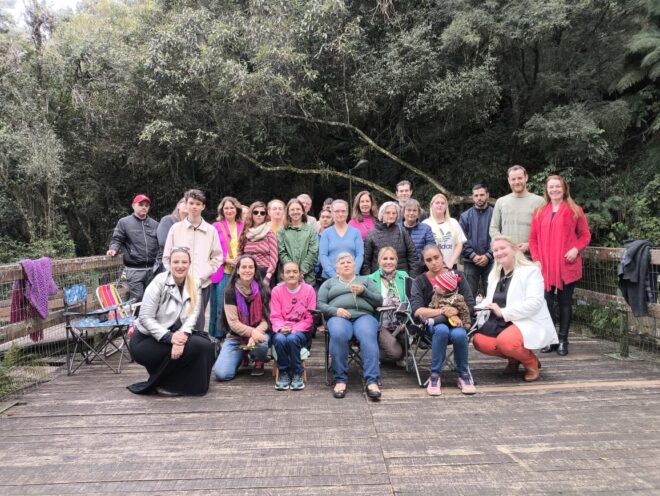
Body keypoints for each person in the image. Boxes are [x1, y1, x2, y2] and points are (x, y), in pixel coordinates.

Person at [128, 247, 215, 396]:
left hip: (176, 334)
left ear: (189, 264)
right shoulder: (158, 282)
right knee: (191, 347)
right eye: (176, 262)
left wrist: (181, 337)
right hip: (147, 338)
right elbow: (145, 317)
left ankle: (188, 385)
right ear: (169, 263)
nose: (180, 266)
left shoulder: (195, 283)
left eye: (184, 262)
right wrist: (170, 338)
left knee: (205, 345)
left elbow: (193, 315)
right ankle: (165, 384)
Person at [473, 236, 558, 381]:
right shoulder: (495, 274)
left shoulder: (530, 271)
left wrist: (503, 312)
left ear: (514, 249)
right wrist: (474, 309)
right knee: (479, 340)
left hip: (524, 320)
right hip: (499, 321)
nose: (499, 252)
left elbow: (535, 303)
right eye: (495, 250)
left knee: (506, 341)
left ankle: (530, 362)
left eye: (502, 248)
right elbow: (489, 300)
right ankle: (514, 359)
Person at [529, 175, 591, 356]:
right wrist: (536, 259)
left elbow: (585, 235)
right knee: (546, 303)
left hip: (566, 264)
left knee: (565, 303)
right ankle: (551, 339)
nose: (554, 190)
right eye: (551, 187)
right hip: (545, 266)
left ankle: (563, 339)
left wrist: (576, 249)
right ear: (547, 190)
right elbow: (533, 239)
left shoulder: (575, 210)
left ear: (564, 189)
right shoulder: (540, 211)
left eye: (558, 186)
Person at [410, 245, 476, 396]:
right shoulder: (420, 281)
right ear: (424, 262)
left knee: (459, 334)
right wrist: (444, 312)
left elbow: (470, 304)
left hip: (458, 322)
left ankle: (463, 375)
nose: (433, 262)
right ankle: (435, 376)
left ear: (442, 256)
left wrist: (456, 311)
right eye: (428, 260)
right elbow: (417, 310)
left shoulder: (457, 276)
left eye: (436, 257)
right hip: (433, 324)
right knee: (441, 330)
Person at [318, 253, 383, 400]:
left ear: (355, 266)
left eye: (349, 262)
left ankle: (372, 381)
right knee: (338, 334)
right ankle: (340, 380)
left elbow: (379, 300)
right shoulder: (329, 283)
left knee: (368, 334)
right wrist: (335, 311)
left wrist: (364, 292)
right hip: (338, 317)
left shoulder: (365, 280)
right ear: (337, 268)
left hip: (363, 316)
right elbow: (320, 304)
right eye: (342, 263)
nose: (346, 264)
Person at [162, 189, 223, 332]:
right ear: (186, 204)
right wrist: (176, 276)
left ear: (203, 206)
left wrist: (204, 274)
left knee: (197, 323)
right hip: (178, 284)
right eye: (191, 203)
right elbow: (166, 257)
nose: (194, 206)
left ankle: (197, 346)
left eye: (198, 204)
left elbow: (217, 257)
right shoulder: (175, 229)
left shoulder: (211, 230)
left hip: (202, 284)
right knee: (176, 322)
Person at [213, 255, 271, 380]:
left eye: (251, 267)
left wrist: (255, 334)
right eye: (244, 267)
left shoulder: (263, 289)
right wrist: (252, 332)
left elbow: (265, 320)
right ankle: (241, 355)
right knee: (222, 374)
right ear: (238, 270)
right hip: (236, 337)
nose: (247, 270)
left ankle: (257, 360)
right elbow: (233, 323)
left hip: (258, 336)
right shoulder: (230, 291)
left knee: (263, 343)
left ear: (255, 270)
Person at [270, 262, 316, 391]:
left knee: (292, 338)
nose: (291, 275)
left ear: (300, 274)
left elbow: (310, 317)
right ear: (282, 275)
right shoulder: (277, 291)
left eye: (295, 272)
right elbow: (275, 315)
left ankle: (297, 373)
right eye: (288, 272)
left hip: (301, 331)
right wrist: (281, 328)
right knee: (279, 339)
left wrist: (294, 329)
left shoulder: (309, 290)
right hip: (281, 329)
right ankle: (284, 373)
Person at [107, 194, 159, 302]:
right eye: (141, 204)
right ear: (133, 205)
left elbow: (161, 243)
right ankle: (134, 313)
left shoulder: (155, 224)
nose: (144, 207)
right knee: (137, 298)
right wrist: (113, 249)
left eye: (146, 205)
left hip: (152, 269)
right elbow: (117, 238)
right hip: (134, 269)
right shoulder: (124, 222)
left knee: (152, 299)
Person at [367, 247, 412, 363]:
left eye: (392, 258)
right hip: (380, 324)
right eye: (385, 258)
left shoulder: (404, 276)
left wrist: (406, 321)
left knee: (408, 335)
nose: (388, 262)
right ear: (379, 261)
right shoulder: (370, 279)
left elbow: (411, 300)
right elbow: (368, 305)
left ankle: (387, 353)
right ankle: (379, 353)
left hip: (400, 323)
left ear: (396, 261)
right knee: (395, 354)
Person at [209, 197, 244, 340]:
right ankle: (217, 337)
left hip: (240, 272)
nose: (229, 210)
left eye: (232, 208)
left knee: (237, 305)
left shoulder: (243, 225)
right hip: (222, 271)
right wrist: (225, 260)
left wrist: (240, 260)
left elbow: (247, 246)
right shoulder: (215, 226)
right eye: (226, 208)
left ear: (237, 209)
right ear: (222, 210)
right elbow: (209, 249)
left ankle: (236, 335)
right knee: (220, 305)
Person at [489, 165, 544, 255]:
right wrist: (504, 244)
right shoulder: (501, 202)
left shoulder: (540, 201)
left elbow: (544, 230)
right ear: (509, 180)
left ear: (526, 178)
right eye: (513, 179)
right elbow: (493, 228)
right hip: (506, 255)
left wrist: (529, 245)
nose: (517, 182)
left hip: (531, 256)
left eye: (520, 178)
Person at [363, 202, 419, 277]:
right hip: (379, 279)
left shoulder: (402, 232)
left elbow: (413, 257)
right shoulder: (372, 235)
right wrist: (370, 281)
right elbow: (366, 262)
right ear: (382, 214)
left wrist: (411, 279)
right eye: (388, 213)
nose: (391, 215)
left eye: (394, 213)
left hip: (401, 279)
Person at [459, 184, 494, 297]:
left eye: (482, 195)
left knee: (492, 294)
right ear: (472, 197)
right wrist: (473, 255)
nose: (479, 198)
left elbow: (499, 238)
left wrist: (488, 255)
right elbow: (461, 239)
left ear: (487, 195)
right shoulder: (464, 216)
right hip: (470, 261)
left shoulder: (495, 214)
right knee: (469, 295)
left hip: (491, 261)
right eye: (476, 195)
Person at [319, 199, 364, 280]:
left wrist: (353, 273)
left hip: (352, 278)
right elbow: (323, 256)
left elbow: (360, 255)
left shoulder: (356, 232)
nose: (340, 214)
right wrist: (333, 275)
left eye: (343, 211)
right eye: (337, 211)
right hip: (330, 279)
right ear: (332, 213)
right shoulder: (326, 233)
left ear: (347, 213)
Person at [277, 198, 319, 285]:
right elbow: (281, 252)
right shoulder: (281, 231)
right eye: (292, 209)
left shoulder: (310, 231)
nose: (295, 212)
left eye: (298, 209)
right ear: (288, 212)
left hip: (307, 278)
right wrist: (291, 271)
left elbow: (313, 252)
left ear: (303, 211)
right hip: (286, 277)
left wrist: (301, 272)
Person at [238, 201, 278, 286]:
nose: (259, 215)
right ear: (251, 214)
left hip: (265, 274)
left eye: (262, 213)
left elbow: (274, 257)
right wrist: (240, 272)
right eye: (256, 212)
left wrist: (268, 276)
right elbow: (239, 253)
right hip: (247, 273)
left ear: (265, 216)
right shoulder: (244, 232)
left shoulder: (269, 233)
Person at [423, 193, 466, 270]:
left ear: (446, 206)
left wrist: (450, 263)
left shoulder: (454, 222)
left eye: (443, 203)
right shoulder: (425, 224)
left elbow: (459, 244)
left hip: (451, 265)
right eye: (437, 203)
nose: (440, 205)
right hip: (432, 267)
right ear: (431, 206)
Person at [156, 197, 187, 262]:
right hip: (167, 261)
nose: (187, 205)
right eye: (185, 203)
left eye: (189, 204)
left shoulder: (191, 224)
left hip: (185, 261)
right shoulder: (167, 220)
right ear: (178, 205)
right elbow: (163, 243)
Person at [315, 207, 334, 287]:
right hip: (314, 275)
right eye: (323, 217)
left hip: (329, 275)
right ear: (319, 219)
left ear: (332, 219)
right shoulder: (313, 236)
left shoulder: (334, 236)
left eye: (328, 217)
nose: (325, 219)